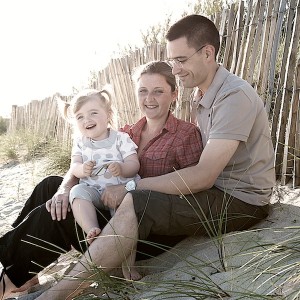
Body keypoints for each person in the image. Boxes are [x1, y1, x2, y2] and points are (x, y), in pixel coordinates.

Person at [33, 14, 275, 299]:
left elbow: (203, 175)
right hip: (216, 192)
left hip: (241, 201)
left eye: (181, 60)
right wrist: (72, 183)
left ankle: (55, 295)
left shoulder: (233, 96)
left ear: (208, 53)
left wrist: (132, 185)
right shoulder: (203, 96)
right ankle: (21, 276)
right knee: (54, 187)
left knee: (136, 200)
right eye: (173, 60)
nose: (176, 68)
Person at [0, 60, 203, 299]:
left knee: (57, 214)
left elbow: (192, 188)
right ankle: (24, 271)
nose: (150, 98)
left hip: (137, 225)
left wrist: (128, 187)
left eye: (158, 91)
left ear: (174, 94)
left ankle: (9, 281)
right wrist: (64, 188)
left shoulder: (185, 134)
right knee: (50, 187)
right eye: (143, 91)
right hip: (107, 203)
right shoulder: (127, 132)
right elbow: (77, 167)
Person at [59, 88, 141, 280]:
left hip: (120, 191)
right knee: (78, 191)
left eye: (93, 113)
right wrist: (82, 170)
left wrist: (122, 168)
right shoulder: (80, 143)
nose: (86, 120)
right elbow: (74, 166)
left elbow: (134, 164)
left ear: (108, 115)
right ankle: (92, 230)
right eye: (79, 117)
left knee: (126, 220)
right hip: (95, 192)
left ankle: (128, 269)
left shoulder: (121, 139)